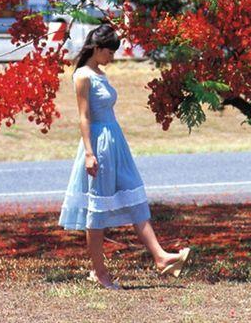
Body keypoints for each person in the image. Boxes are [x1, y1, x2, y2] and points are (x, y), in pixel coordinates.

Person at [59, 23, 193, 289]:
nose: (112, 57)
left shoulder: (100, 73)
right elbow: (84, 117)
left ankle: (161, 257)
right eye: (109, 52)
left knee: (133, 195)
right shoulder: (84, 76)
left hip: (115, 142)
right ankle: (100, 272)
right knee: (96, 211)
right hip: (98, 144)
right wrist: (89, 152)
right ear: (96, 49)